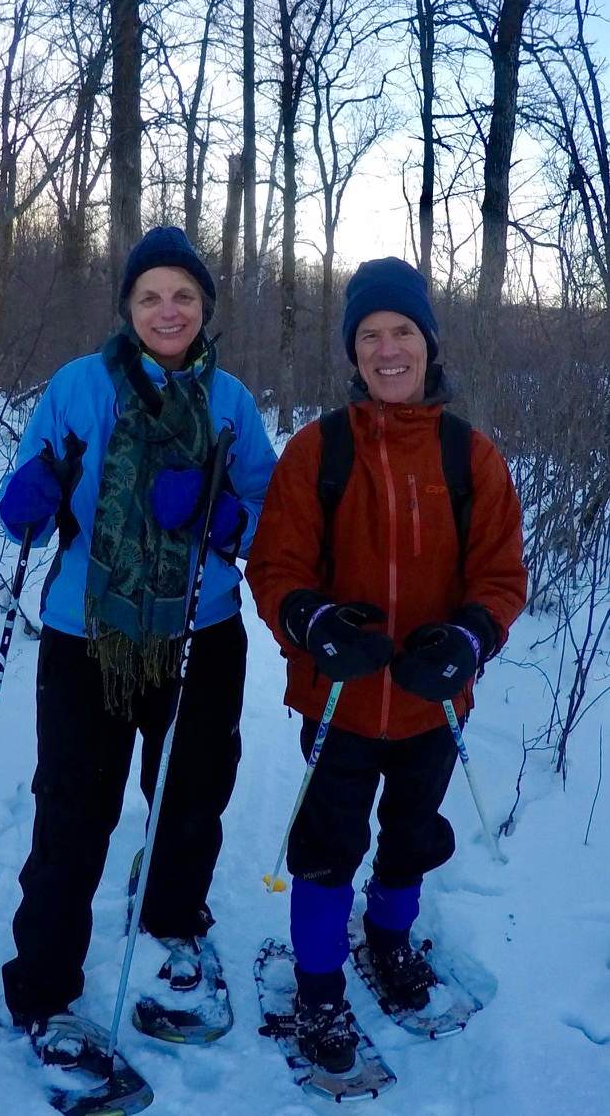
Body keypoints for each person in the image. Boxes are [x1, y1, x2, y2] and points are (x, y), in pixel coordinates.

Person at [0, 226, 275, 1066]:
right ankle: (45, 982)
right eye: (150, 294)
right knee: (72, 811)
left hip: (200, 629)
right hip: (89, 636)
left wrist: (230, 519)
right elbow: (26, 499)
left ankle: (172, 919)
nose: (167, 309)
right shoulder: (79, 386)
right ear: (126, 306)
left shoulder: (229, 402)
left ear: (203, 309)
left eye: (183, 296)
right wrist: (27, 498)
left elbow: (268, 509)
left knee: (191, 795)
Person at [246, 257, 526, 1075]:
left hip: (431, 705)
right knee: (327, 844)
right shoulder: (316, 450)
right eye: (369, 335)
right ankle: (318, 984)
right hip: (336, 700)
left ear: (428, 343)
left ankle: (390, 938)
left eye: (401, 330)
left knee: (410, 837)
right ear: (352, 352)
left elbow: (501, 576)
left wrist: (468, 639)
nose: (387, 348)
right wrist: (313, 621)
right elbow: (276, 568)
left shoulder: (469, 456)